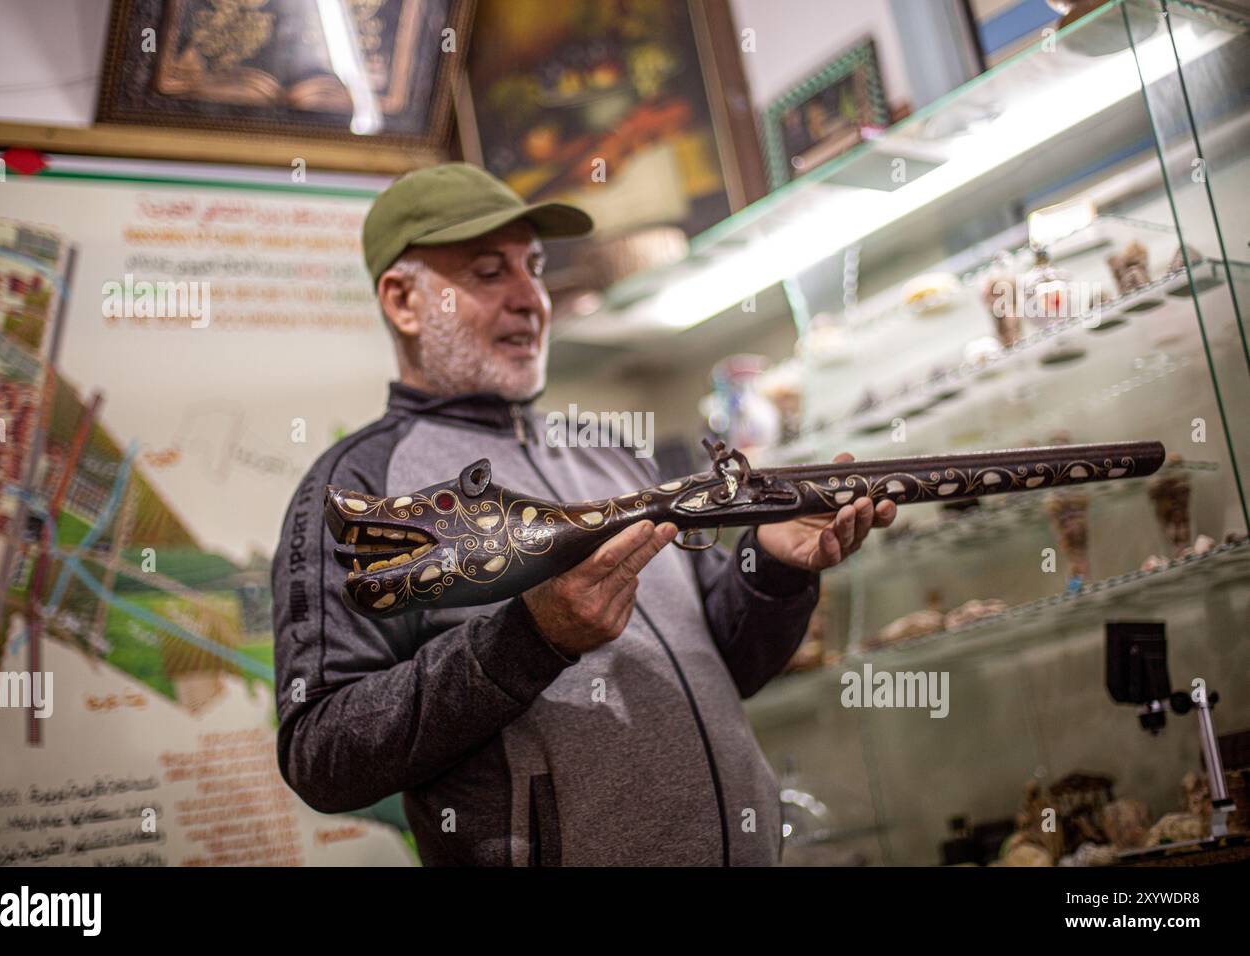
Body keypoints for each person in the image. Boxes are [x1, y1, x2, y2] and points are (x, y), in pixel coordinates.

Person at [272, 162, 895, 865]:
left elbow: (724, 665)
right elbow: (321, 752)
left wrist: (771, 566)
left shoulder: (607, 455)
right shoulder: (358, 484)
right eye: (487, 273)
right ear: (404, 301)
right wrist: (529, 639)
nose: (530, 299)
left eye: (532, 268)